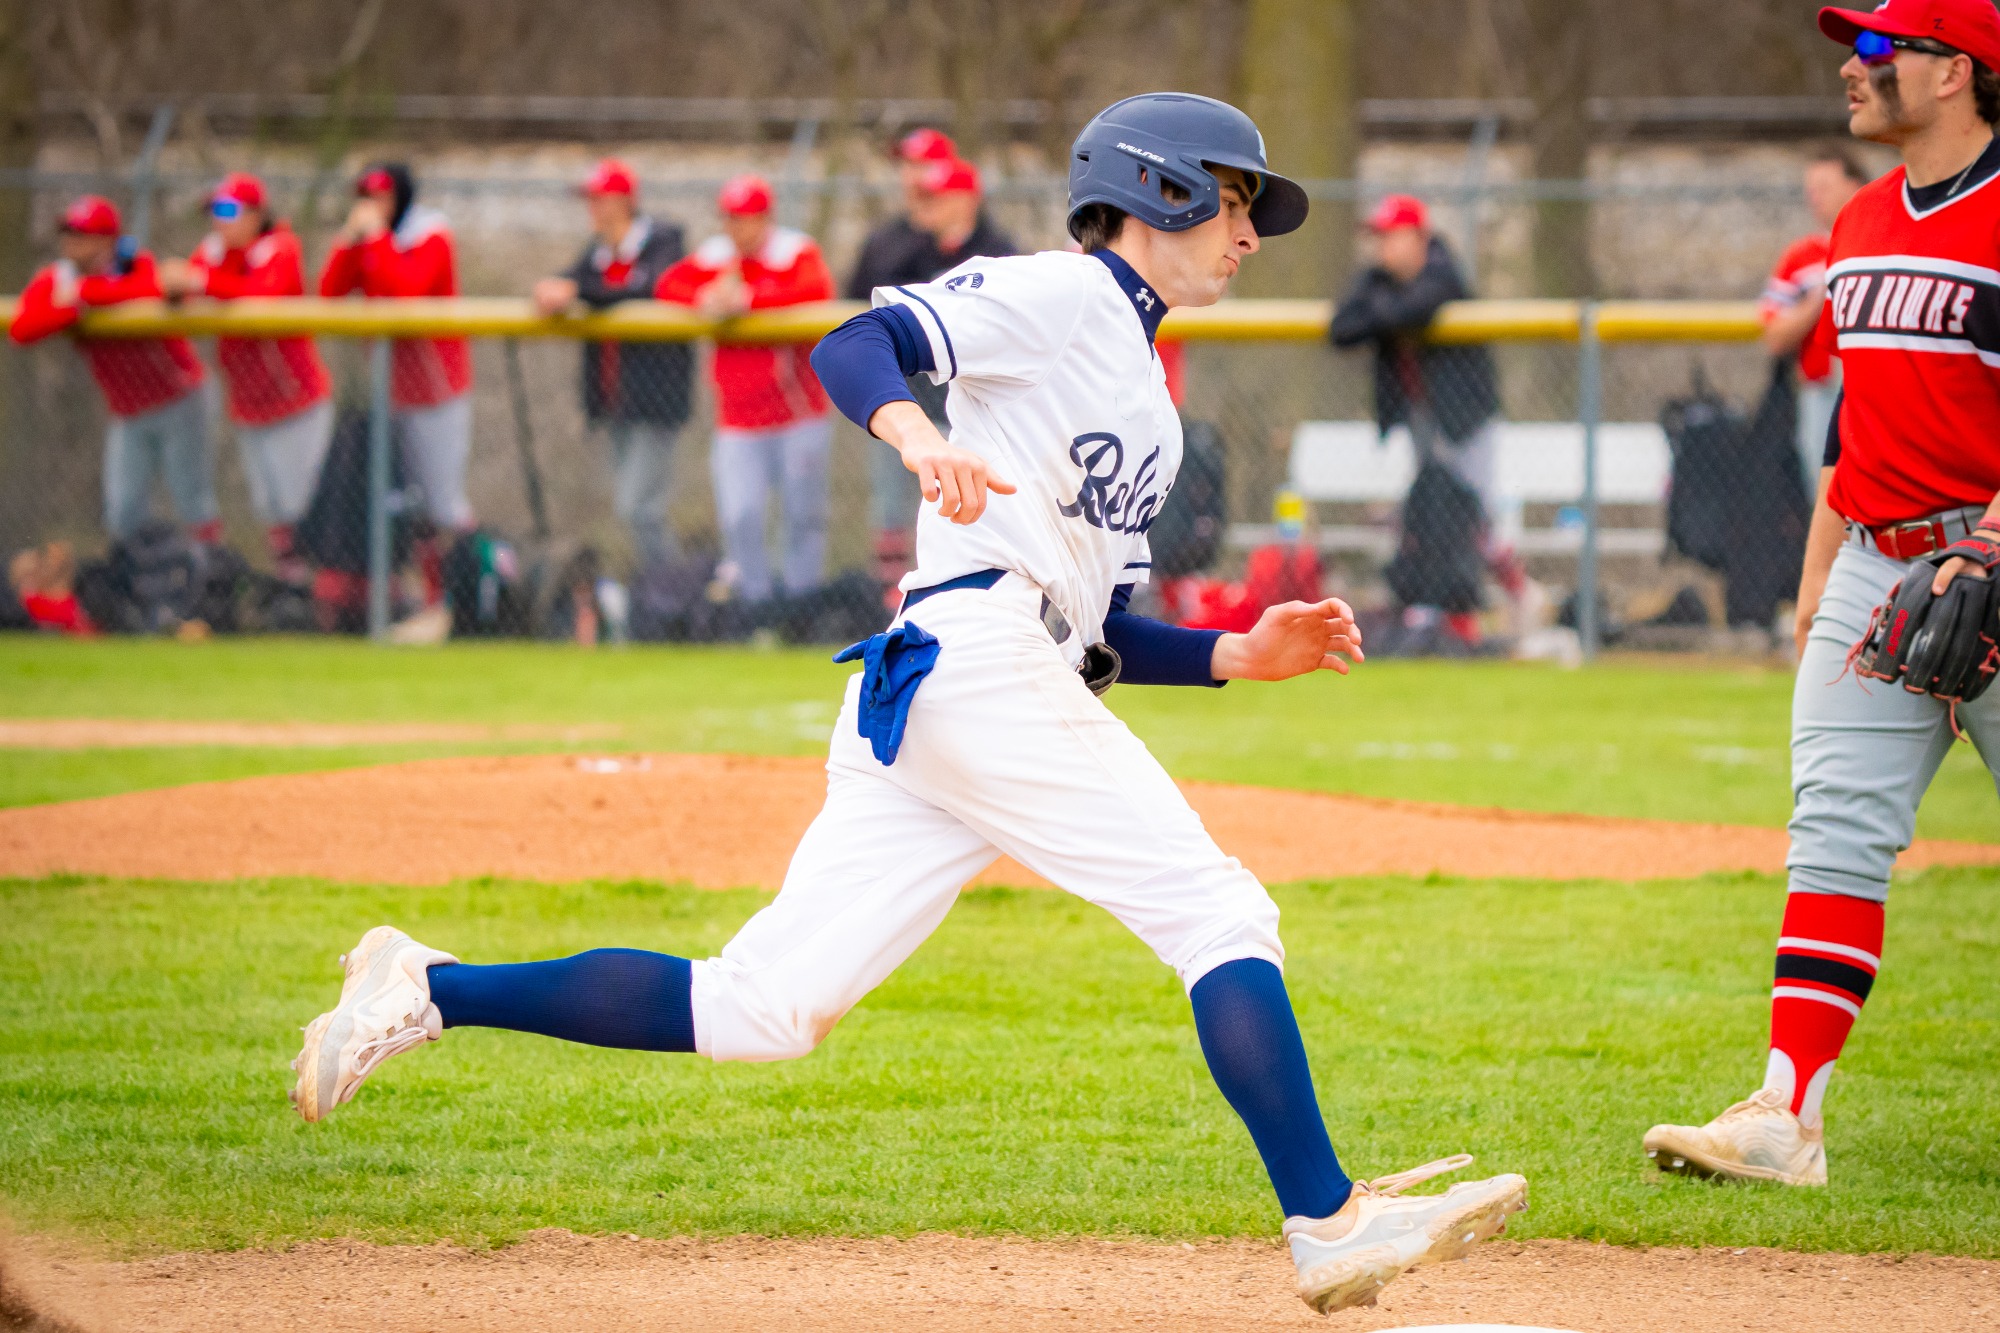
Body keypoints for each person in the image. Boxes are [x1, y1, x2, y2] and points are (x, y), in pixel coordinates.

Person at [288, 93, 1527, 1316]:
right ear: (1163, 190)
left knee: (758, 1006)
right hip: (972, 653)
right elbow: (852, 344)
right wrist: (910, 433)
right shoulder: (1064, 290)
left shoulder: (1149, 397)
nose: (1247, 236)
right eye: (1237, 201)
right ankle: (1325, 1218)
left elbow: (1098, 636)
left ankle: (426, 987)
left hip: (964, 672)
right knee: (1215, 910)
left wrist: (1233, 658)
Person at [1644, 0, 2000, 1188]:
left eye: (1877, 50)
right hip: (1875, 563)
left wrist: (1988, 545)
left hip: (1992, 558)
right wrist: (1815, 582)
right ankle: (1784, 1115)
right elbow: (1858, 425)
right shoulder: (1856, 218)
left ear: (1953, 71)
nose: (1852, 69)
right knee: (1833, 837)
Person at [1330, 194, 1530, 650]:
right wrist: (1382, 309)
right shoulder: (1378, 279)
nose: (1383, 248)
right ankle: (1449, 619)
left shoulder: (1443, 271)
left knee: (1474, 516)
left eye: (1392, 236)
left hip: (1464, 418)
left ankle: (1516, 602)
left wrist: (1376, 312)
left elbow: (1412, 310)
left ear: (1419, 237)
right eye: (1378, 238)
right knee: (1432, 516)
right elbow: (1342, 327)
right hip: (1419, 417)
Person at [655, 174, 835, 611]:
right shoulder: (716, 255)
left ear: (766, 218)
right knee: (741, 516)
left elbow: (815, 291)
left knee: (802, 516)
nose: (738, 228)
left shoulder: (795, 251)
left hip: (797, 412)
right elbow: (667, 287)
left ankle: (801, 602)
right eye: (731, 219)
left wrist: (750, 298)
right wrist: (708, 295)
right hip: (737, 416)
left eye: (747, 219)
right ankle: (754, 604)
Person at [846, 148, 1021, 593]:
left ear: (966, 200)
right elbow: (857, 300)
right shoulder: (900, 246)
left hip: (974, 408)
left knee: (965, 505)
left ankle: (961, 590)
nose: (923, 208)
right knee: (891, 506)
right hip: (906, 401)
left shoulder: (999, 254)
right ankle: (890, 597)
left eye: (936, 198)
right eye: (922, 199)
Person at [8, 195, 216, 545]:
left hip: (178, 399)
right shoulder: (59, 276)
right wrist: (74, 307)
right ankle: (134, 576)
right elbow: (22, 329)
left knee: (191, 500)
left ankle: (211, 575)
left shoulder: (134, 262)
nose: (70, 241)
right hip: (127, 411)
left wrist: (82, 295)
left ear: (107, 240)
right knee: (122, 509)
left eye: (82, 233)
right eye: (68, 232)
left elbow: (152, 288)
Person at [159, 172, 333, 580]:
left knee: (300, 503)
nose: (219, 221)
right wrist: (173, 285)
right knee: (269, 506)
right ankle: (293, 590)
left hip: (296, 401)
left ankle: (322, 589)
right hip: (248, 403)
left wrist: (200, 281)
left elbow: (263, 294)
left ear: (257, 214)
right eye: (214, 212)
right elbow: (188, 288)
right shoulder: (215, 250)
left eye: (228, 210)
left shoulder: (280, 246)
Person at [319, 162, 473, 606]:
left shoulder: (431, 234)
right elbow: (330, 292)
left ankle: (465, 600)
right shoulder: (371, 240)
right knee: (407, 504)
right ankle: (428, 601)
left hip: (437, 392)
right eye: (366, 197)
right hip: (393, 392)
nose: (372, 206)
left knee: (443, 503)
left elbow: (406, 293)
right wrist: (349, 241)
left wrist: (376, 239)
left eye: (382, 196)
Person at [532, 158, 694, 574]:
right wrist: (554, 286)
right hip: (614, 399)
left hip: (655, 401)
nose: (594, 208)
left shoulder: (663, 240)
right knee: (631, 507)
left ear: (625, 201)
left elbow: (646, 286)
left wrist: (578, 289)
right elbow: (571, 279)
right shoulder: (598, 251)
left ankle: (672, 592)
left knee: (639, 507)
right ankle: (659, 593)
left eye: (601, 199)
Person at [1761, 147, 1870, 492]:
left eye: (1824, 185)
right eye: (1810, 187)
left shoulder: (1884, 245)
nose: (1814, 196)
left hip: (1877, 393)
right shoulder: (1803, 255)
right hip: (1821, 393)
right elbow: (1774, 335)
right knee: (1826, 495)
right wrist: (1818, 297)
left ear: (1854, 185)